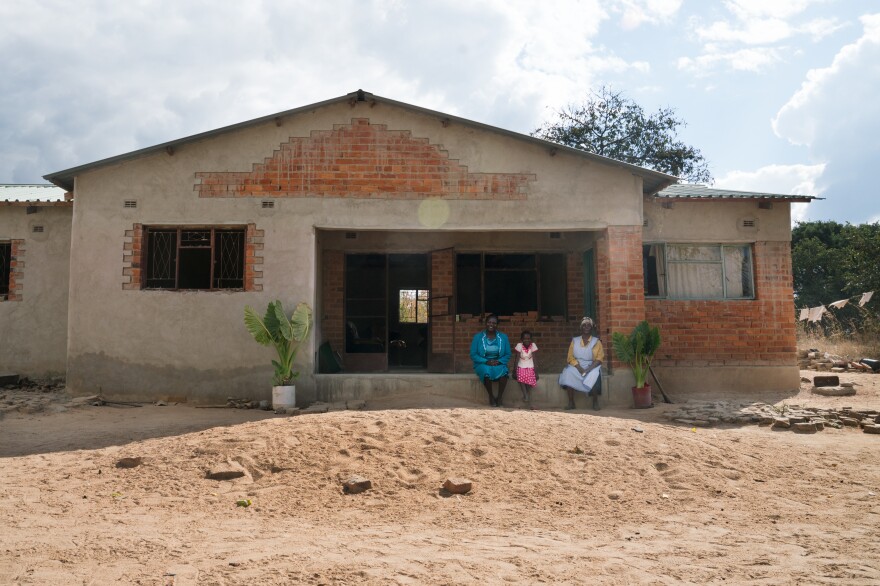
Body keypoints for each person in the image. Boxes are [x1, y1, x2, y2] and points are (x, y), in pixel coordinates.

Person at [558, 317, 604, 411]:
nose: (586, 327)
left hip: (592, 365)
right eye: (584, 325)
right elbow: (570, 357)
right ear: (581, 327)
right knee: (568, 372)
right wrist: (579, 368)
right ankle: (571, 402)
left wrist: (588, 370)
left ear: (592, 328)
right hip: (577, 365)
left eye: (589, 325)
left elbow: (599, 359)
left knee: (594, 374)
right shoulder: (575, 341)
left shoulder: (597, 342)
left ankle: (595, 402)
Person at [470, 314, 511, 407]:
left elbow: (508, 354)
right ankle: (491, 396)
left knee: (504, 371)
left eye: (494, 323)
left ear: (497, 325)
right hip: (482, 362)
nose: (491, 324)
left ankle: (500, 398)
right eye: (489, 322)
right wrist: (486, 361)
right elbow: (473, 354)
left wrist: (499, 361)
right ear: (486, 323)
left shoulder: (503, 337)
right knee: (486, 371)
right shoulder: (478, 337)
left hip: (498, 361)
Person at [514, 330, 539, 410]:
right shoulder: (519, 345)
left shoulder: (533, 345)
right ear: (521, 339)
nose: (527, 340)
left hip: (530, 365)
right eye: (525, 339)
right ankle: (525, 395)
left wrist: (536, 372)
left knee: (529, 379)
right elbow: (517, 358)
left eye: (529, 339)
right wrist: (514, 370)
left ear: (531, 339)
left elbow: (534, 359)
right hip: (521, 365)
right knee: (521, 376)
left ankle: (527, 398)